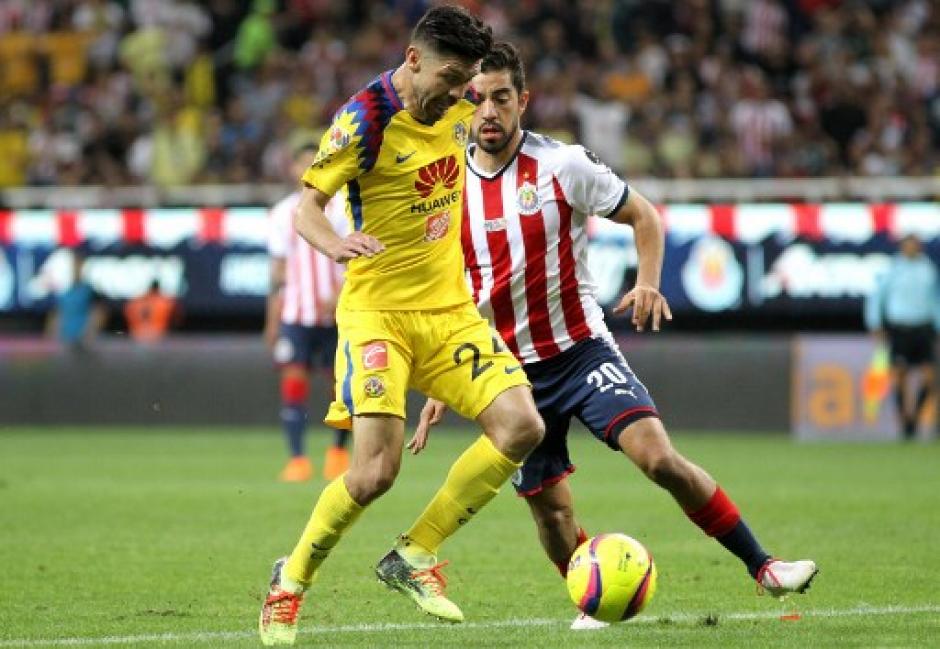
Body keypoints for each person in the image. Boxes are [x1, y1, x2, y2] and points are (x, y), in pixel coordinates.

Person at [410, 42, 818, 630]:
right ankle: (594, 595)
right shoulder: (449, 185)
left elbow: (644, 216)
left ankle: (764, 566)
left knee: (657, 458)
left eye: (502, 98)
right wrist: (448, 385)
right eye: (478, 100)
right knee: (551, 518)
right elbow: (461, 292)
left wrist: (649, 282)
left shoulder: (561, 165)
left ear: (522, 100)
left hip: (580, 352)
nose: (489, 112)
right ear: (462, 105)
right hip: (508, 378)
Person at [258, 8, 544, 646]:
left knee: (522, 425)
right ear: (413, 60)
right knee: (374, 474)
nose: (460, 94)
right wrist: (335, 246)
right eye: (451, 77)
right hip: (377, 313)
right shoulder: (364, 118)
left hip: (446, 311)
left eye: (468, 81)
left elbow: (507, 111)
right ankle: (290, 580)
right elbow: (306, 210)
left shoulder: (465, 103)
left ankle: (413, 555)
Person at [264, 141, 350, 482]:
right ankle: (298, 459)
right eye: (302, 164)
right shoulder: (282, 212)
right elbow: (277, 271)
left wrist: (342, 295)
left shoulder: (342, 207)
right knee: (293, 384)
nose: (308, 170)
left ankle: (338, 452)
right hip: (295, 316)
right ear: (292, 169)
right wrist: (271, 320)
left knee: (340, 388)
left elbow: (356, 259)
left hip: (336, 316)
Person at [865, 234, 940, 440]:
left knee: (929, 376)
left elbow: (935, 300)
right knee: (900, 377)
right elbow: (877, 298)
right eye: (908, 245)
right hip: (900, 328)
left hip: (923, 328)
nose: (911, 249)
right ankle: (905, 422)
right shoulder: (892, 270)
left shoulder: (928, 270)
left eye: (915, 245)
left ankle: (915, 417)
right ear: (902, 247)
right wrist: (875, 323)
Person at [46, 252, 107, 351]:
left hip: (84, 343)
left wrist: (90, 333)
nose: (74, 267)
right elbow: (56, 315)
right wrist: (52, 336)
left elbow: (100, 312)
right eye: (72, 264)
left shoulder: (89, 290)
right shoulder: (64, 291)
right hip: (64, 341)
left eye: (77, 264)